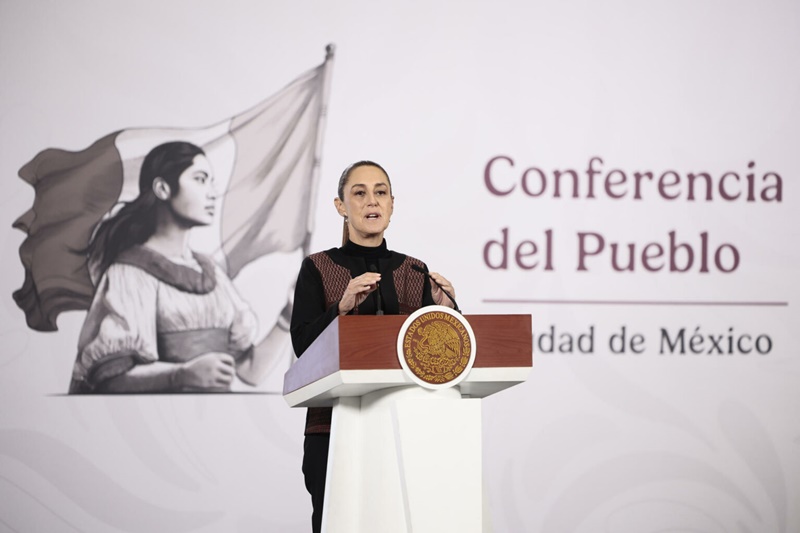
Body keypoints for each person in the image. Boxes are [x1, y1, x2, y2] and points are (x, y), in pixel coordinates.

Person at [290, 160, 457, 532]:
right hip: (333, 429)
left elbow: (439, 358)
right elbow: (302, 345)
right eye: (359, 193)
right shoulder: (317, 268)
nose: (372, 201)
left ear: (392, 205)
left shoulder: (415, 271)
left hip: (409, 428)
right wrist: (341, 308)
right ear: (340, 206)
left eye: (380, 192)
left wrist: (450, 312)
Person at [69, 141, 262, 393]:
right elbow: (109, 378)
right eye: (200, 179)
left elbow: (250, 371)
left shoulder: (211, 272)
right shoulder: (129, 272)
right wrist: (181, 375)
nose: (213, 192)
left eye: (211, 181)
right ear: (162, 188)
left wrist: (289, 315)